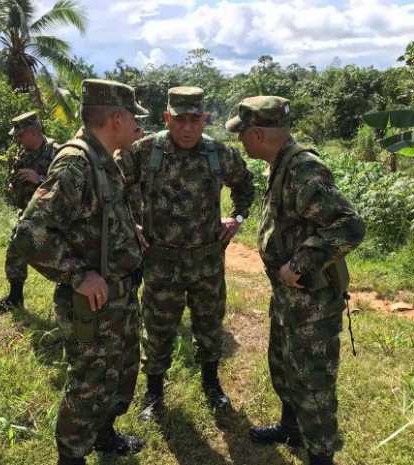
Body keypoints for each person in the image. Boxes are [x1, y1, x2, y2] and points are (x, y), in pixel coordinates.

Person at [12, 79, 148, 465]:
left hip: (116, 293)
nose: (137, 126)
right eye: (133, 118)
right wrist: (78, 275)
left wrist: (127, 229)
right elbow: (30, 233)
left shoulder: (102, 158)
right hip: (92, 300)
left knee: (117, 371)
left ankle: (104, 435)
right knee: (89, 381)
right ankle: (71, 457)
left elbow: (94, 215)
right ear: (116, 118)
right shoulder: (76, 162)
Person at [225, 96, 365, 465]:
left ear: (257, 134)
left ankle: (320, 455)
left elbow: (349, 226)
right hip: (290, 297)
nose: (240, 141)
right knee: (286, 368)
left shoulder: (303, 169)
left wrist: (300, 264)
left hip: (311, 301)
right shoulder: (281, 164)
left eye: (243, 135)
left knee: (314, 384)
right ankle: (291, 428)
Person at [116, 86, 255, 420]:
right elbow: (111, 186)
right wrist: (130, 225)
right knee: (158, 327)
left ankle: (211, 384)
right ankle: (153, 393)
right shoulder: (145, 151)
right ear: (167, 118)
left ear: (204, 118)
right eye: (180, 120)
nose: (188, 127)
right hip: (161, 262)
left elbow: (246, 185)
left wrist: (236, 217)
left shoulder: (218, 154)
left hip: (206, 261)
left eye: (195, 119)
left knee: (209, 325)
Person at [0, 111, 57, 311]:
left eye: (20, 135)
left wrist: (39, 180)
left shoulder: (57, 152)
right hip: (28, 214)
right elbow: (14, 180)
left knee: (63, 259)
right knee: (15, 250)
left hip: (54, 216)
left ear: (34, 132)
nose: (17, 140)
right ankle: (15, 297)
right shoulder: (22, 154)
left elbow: (69, 186)